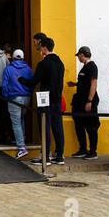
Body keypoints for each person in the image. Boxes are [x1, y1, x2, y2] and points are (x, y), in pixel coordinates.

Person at [19, 37, 65, 165]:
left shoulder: (44, 63)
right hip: (57, 99)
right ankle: (59, 156)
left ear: (44, 47)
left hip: (45, 99)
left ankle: (45, 156)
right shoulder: (60, 63)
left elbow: (33, 81)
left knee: (44, 127)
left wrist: (21, 79)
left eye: (40, 47)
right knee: (58, 127)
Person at [67, 46, 100, 160]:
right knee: (79, 125)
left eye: (78, 56)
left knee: (91, 127)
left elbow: (93, 84)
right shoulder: (85, 67)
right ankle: (83, 149)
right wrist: (75, 84)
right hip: (79, 101)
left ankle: (92, 151)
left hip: (87, 101)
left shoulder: (92, 66)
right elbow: (85, 82)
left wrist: (89, 101)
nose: (78, 58)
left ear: (82, 54)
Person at [2, 49, 33, 159]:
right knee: (21, 119)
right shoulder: (28, 69)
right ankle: (22, 140)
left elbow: (5, 85)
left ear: (13, 58)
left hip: (14, 98)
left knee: (16, 123)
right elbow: (32, 84)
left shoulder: (8, 69)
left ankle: (21, 147)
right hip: (26, 98)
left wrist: (6, 97)